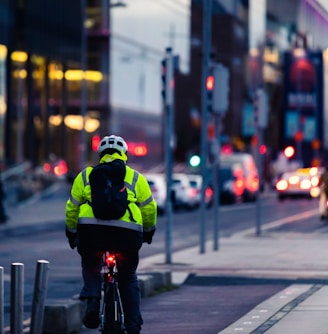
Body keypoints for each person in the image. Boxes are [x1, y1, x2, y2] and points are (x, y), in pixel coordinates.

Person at [65, 135, 157, 333]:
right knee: (128, 276)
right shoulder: (135, 177)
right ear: (124, 154)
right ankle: (133, 326)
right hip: (127, 234)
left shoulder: (85, 176)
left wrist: (72, 233)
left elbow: (71, 208)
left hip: (92, 231)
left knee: (91, 263)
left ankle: (92, 302)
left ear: (100, 154)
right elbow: (149, 209)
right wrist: (148, 231)